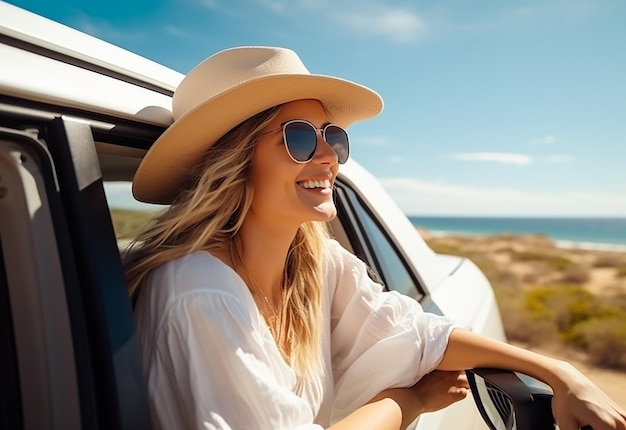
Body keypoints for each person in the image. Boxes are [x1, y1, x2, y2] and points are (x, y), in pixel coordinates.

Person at [124, 46, 626, 430]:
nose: (329, 157)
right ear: (232, 162)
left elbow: (416, 332)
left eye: (334, 137)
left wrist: (564, 374)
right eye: (299, 137)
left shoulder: (314, 261)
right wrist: (414, 402)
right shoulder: (200, 293)